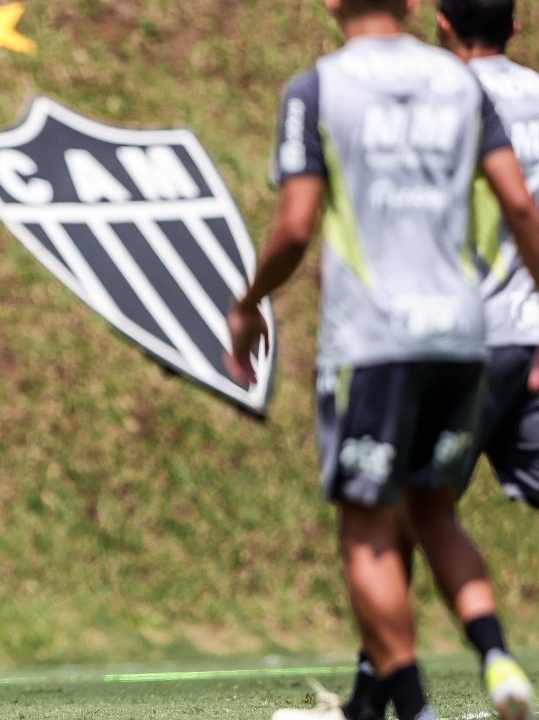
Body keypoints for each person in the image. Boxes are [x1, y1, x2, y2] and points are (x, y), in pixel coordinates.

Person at [224, 2, 539, 720]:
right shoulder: (462, 85)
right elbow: (521, 207)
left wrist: (248, 303)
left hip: (375, 341)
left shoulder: (318, 87)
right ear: (412, 5)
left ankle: (413, 710)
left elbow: (295, 225)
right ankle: (495, 657)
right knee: (434, 514)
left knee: (369, 532)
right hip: (463, 337)